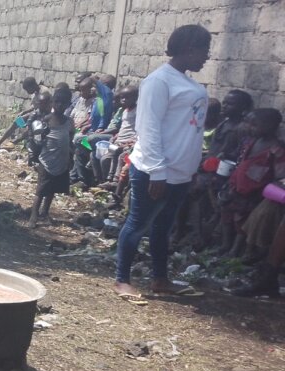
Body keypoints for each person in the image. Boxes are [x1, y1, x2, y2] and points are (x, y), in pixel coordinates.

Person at [114, 24, 211, 303]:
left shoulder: (189, 83)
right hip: (155, 171)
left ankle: (160, 279)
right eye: (204, 51)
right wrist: (158, 171)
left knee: (163, 227)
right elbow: (149, 127)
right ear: (189, 49)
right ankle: (122, 279)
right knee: (138, 223)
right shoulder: (160, 81)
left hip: (180, 172)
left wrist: (190, 167)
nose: (206, 57)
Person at [219, 109, 285, 257]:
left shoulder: (276, 149)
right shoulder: (250, 142)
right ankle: (225, 244)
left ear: (271, 126)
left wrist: (261, 194)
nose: (248, 127)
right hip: (235, 187)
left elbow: (280, 176)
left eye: (254, 124)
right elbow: (241, 162)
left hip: (254, 194)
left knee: (244, 222)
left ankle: (236, 251)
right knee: (227, 214)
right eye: (248, 123)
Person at [28, 87, 74, 228]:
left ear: (68, 105)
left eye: (63, 103)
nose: (60, 105)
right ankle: (33, 216)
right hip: (47, 161)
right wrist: (32, 154)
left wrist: (71, 156)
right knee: (41, 190)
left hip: (61, 161)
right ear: (52, 103)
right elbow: (35, 140)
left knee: (52, 190)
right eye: (57, 102)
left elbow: (70, 139)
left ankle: (45, 213)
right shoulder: (46, 120)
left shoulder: (69, 122)